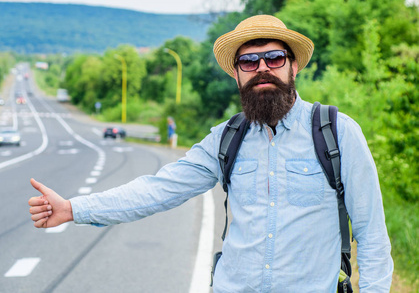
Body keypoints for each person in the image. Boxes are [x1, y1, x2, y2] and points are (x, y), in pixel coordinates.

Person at [29, 15, 393, 292]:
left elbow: (371, 234)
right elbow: (158, 189)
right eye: (249, 62)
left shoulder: (336, 132)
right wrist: (74, 209)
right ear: (236, 75)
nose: (262, 68)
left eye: (274, 57)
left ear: (293, 65)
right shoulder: (226, 139)